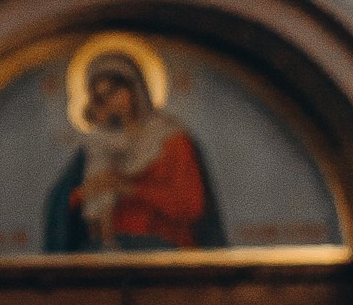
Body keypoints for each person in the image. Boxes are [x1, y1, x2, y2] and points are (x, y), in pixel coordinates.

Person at [41, 49, 226, 251]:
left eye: (114, 91)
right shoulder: (99, 143)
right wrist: (85, 192)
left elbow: (190, 206)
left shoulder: (171, 140)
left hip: (163, 249)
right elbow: (64, 201)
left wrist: (128, 187)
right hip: (106, 249)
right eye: (100, 97)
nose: (110, 102)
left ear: (135, 88)